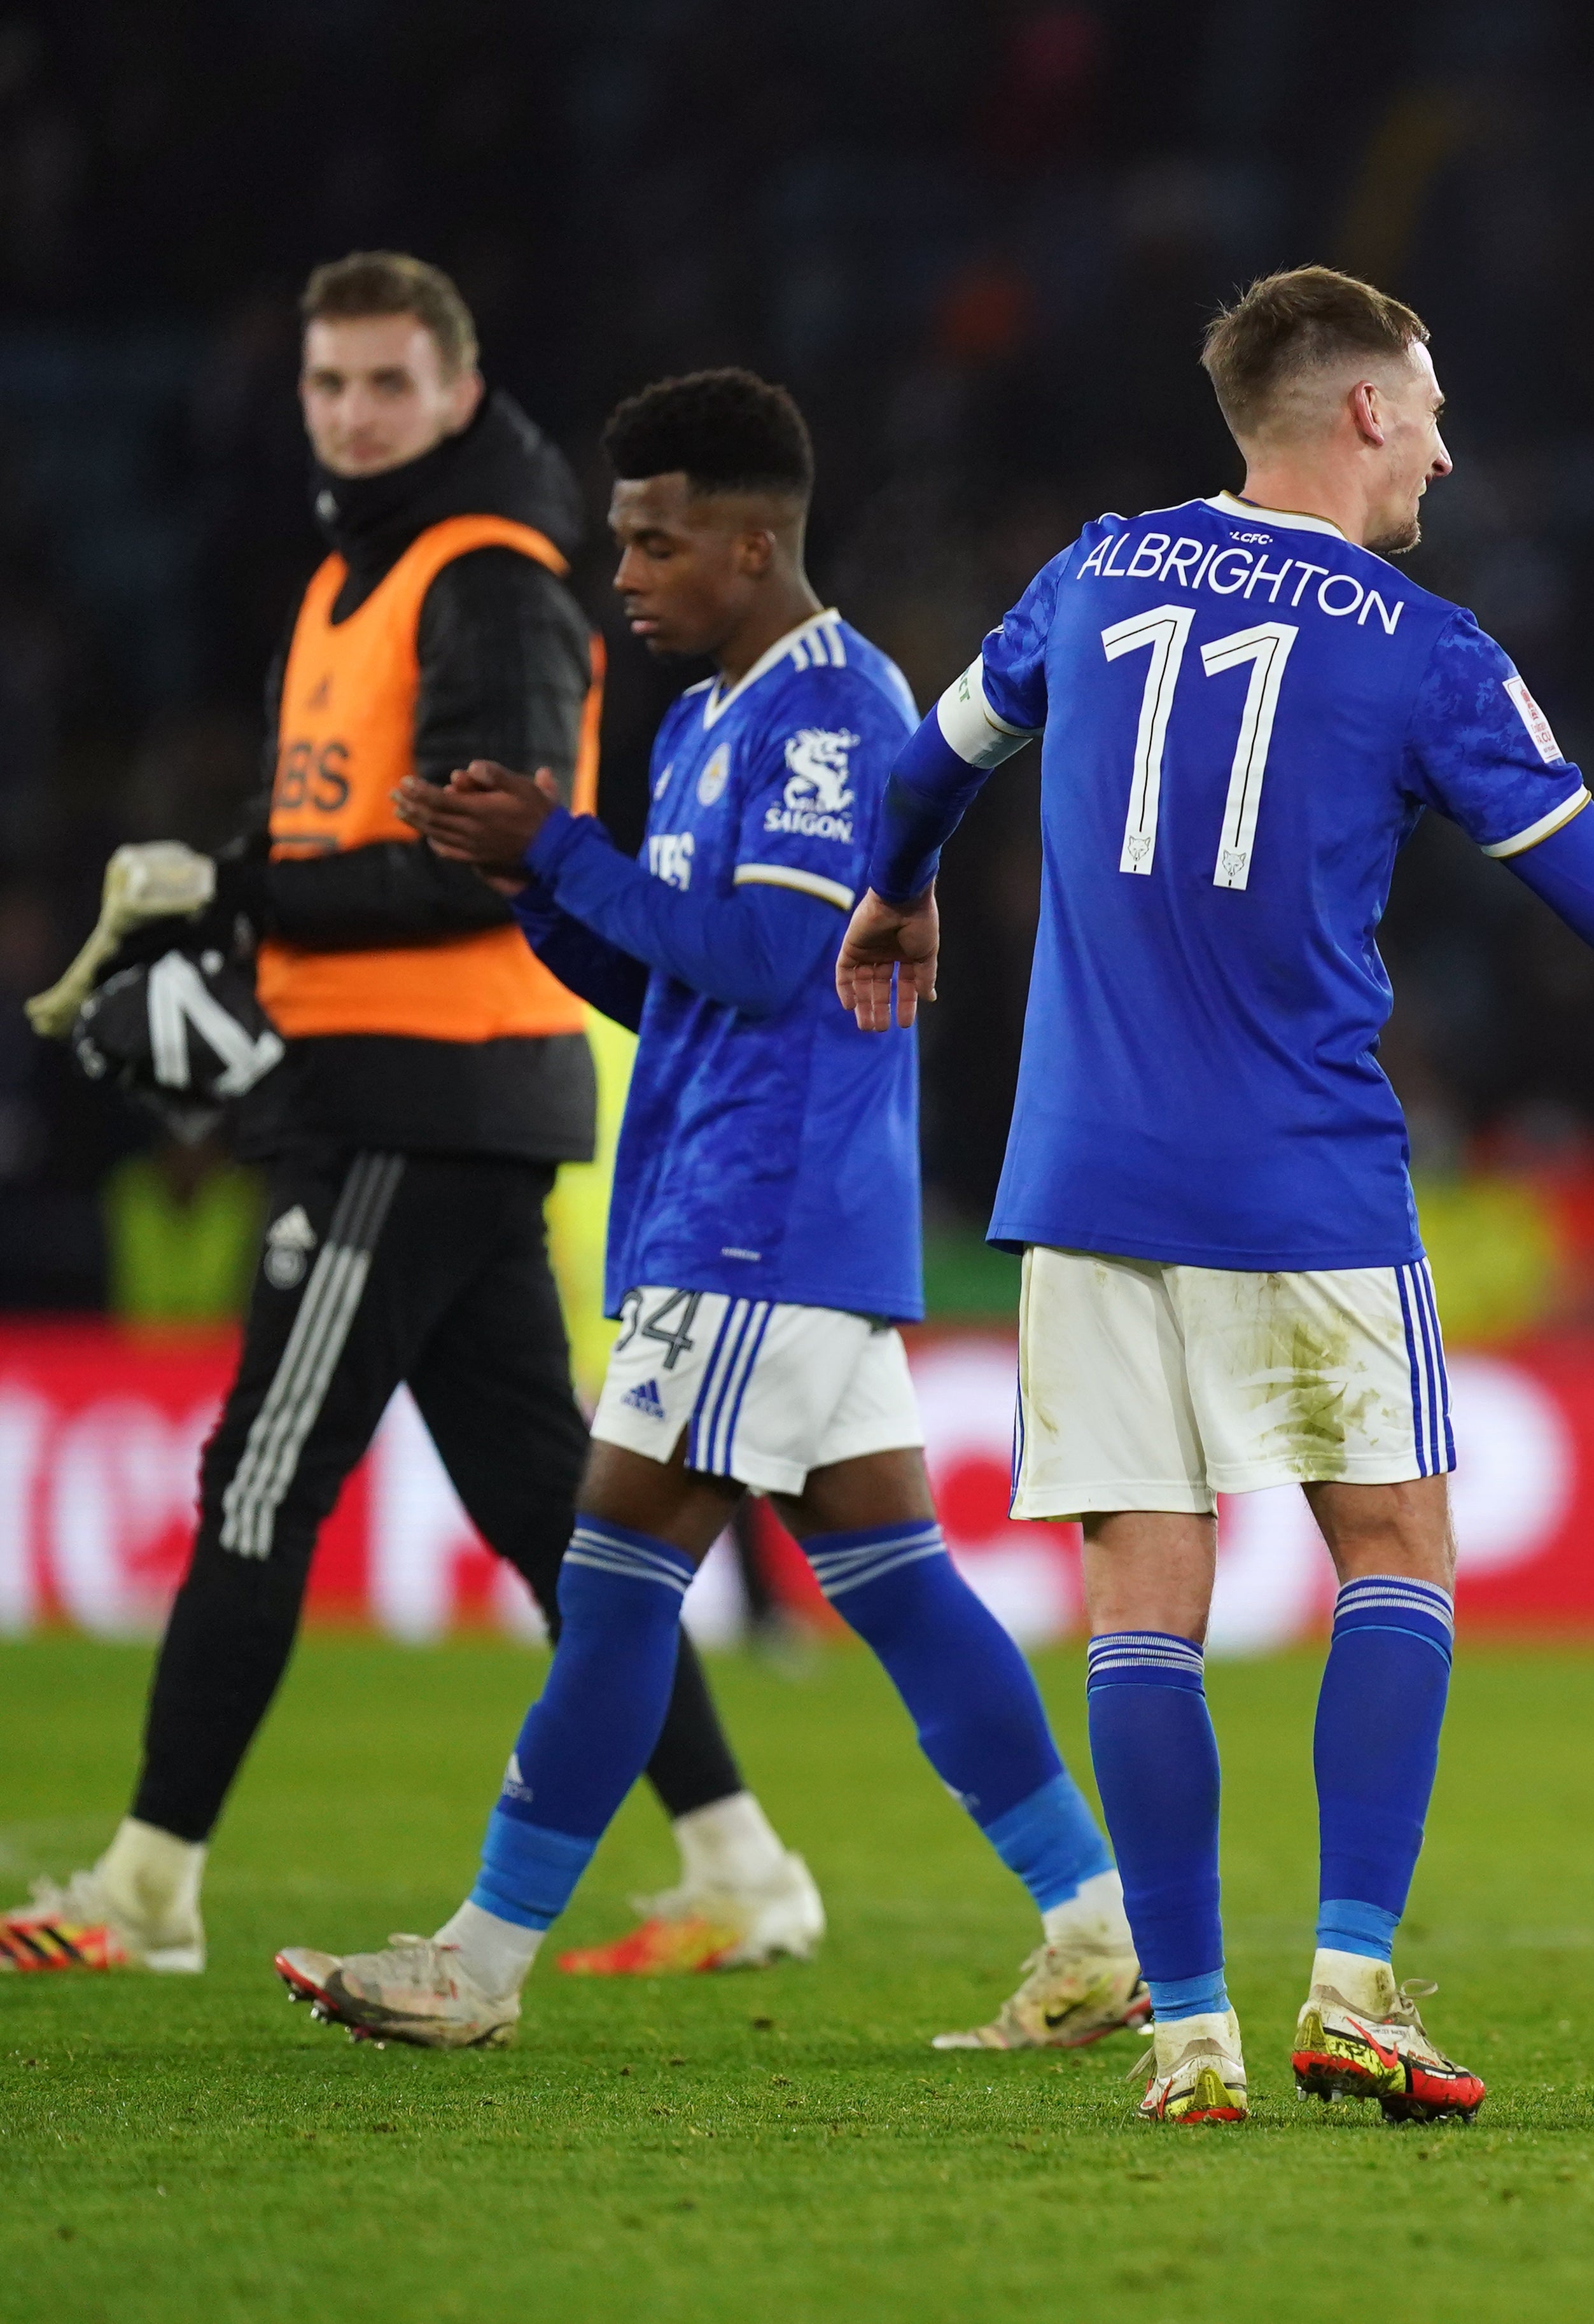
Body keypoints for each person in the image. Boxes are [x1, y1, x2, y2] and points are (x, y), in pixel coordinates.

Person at [834, 265, 1594, 2127]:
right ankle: (1350, 1984)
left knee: (1141, 1594)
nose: (1444, 444)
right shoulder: (1425, 647)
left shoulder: (1087, 572)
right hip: (1303, 1175)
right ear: (1355, 417)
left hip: (1082, 1173)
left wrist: (901, 889)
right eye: (1425, 408)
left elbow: (923, 767)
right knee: (1396, 1550)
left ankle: (1187, 2035)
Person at [270, 370, 1139, 2051]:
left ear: (752, 546)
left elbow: (767, 955)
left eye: (657, 544)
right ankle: (1097, 1922)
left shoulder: (833, 713)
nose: (628, 575)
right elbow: (666, 976)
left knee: (611, 1582)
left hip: (761, 1210)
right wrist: (533, 877)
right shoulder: (704, 719)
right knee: (895, 1584)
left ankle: (482, 1956)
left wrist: (573, 850)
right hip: (755, 1206)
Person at [1, 255, 782, 1982]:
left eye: (384, 384)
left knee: (262, 1478)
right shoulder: (376, 570)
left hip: (415, 1095)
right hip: (398, 1084)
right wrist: (240, 906)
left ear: (454, 386)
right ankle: (743, 1858)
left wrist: (229, 887)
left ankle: (146, 1885)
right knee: (544, 1511)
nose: (352, 413)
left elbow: (474, 863)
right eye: (327, 384)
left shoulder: (485, 576)